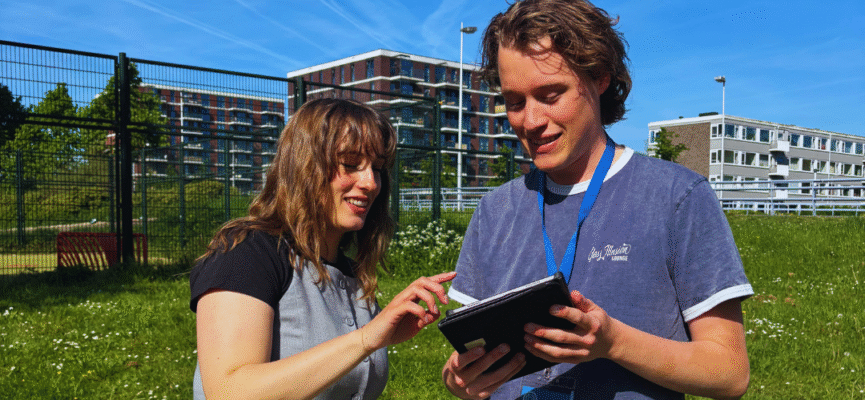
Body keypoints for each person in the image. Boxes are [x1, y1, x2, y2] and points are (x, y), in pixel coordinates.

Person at [441, 1, 753, 399]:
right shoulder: (495, 211)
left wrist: (614, 343)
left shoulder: (677, 198)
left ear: (600, 77)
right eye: (515, 102)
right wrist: (460, 381)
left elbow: (729, 373)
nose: (531, 120)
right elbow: (464, 369)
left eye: (551, 95)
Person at [190, 98, 456, 400]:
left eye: (378, 168)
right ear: (305, 166)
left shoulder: (350, 273)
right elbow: (229, 391)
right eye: (350, 164)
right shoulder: (246, 253)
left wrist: (389, 329)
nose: (371, 183)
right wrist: (366, 339)